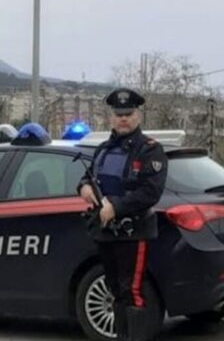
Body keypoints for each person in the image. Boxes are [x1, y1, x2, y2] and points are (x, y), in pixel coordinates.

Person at [78, 88, 167, 341]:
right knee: (115, 290)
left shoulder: (149, 150)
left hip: (133, 231)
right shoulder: (104, 149)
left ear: (138, 115)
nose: (123, 118)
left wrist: (116, 207)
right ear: (112, 117)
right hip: (106, 231)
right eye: (119, 114)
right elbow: (89, 177)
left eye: (128, 113)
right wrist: (83, 187)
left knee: (133, 292)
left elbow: (150, 192)